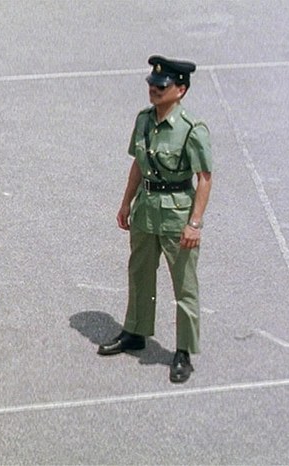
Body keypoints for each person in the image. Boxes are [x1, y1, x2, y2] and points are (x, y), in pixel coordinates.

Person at [98, 55, 213, 384]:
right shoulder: (144, 121)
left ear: (181, 90)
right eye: (152, 84)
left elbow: (204, 178)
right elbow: (138, 163)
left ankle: (183, 350)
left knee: (184, 286)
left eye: (162, 86)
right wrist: (126, 202)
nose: (154, 89)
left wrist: (195, 223)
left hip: (177, 213)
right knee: (140, 274)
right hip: (146, 209)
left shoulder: (191, 129)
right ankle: (135, 331)